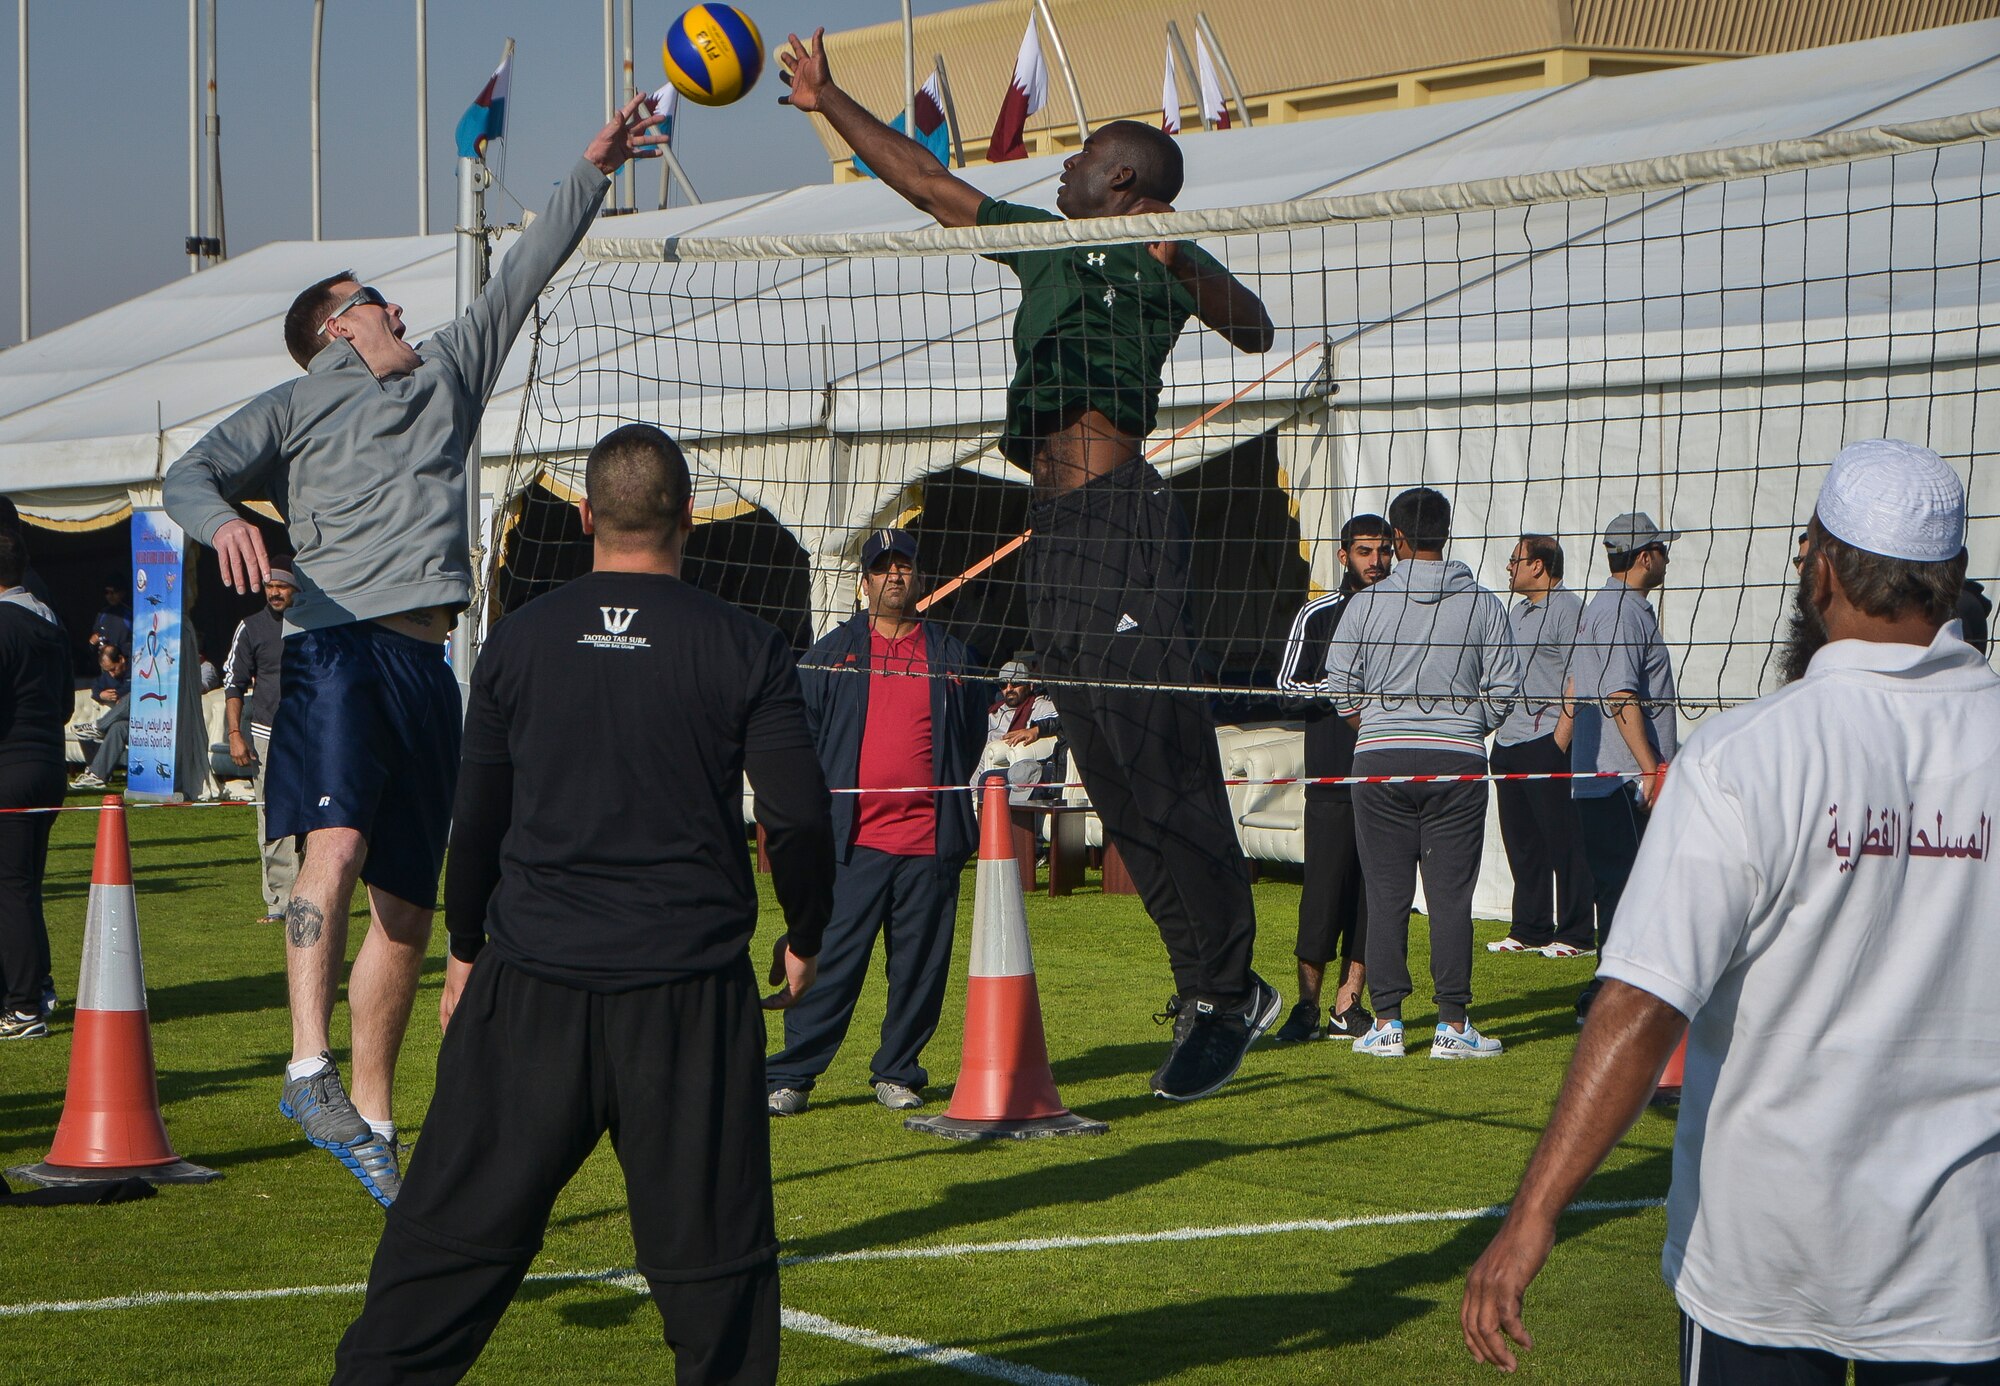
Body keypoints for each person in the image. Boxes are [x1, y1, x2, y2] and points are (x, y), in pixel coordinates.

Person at [161, 102, 669, 1205]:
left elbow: (525, 270)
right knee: (332, 849)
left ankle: (375, 1123)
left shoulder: (447, 374)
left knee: (406, 902)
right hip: (336, 649)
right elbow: (186, 476)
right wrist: (230, 525)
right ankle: (307, 1069)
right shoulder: (293, 407)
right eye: (371, 301)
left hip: (427, 666)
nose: (396, 306)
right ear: (339, 329)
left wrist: (588, 166)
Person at [778, 30, 1282, 1101]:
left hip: (1121, 519)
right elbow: (925, 180)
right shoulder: (1041, 242)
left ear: (1123, 179)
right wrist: (827, 100)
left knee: (1162, 756)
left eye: (1078, 159)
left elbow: (1254, 327)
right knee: (1101, 767)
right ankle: (1206, 986)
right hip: (1053, 534)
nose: (1057, 171)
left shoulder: (1162, 248)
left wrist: (1182, 261)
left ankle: (1227, 988)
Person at [1463, 439, 2000, 1384]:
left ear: (1818, 566)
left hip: (1765, 1260)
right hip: (1963, 1271)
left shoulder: (1743, 757)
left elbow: (1639, 1008)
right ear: (1954, 579)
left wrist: (1531, 1215)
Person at [331, 423, 833, 1385]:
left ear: (587, 516)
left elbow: (474, 820)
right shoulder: (744, 644)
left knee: (443, 1255)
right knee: (714, 1276)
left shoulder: (519, 640)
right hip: (682, 997)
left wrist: (466, 948)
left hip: (535, 986)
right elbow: (798, 817)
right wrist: (804, 934)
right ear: (690, 517)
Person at [767, 528, 988, 1117]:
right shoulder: (831, 653)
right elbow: (803, 734)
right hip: (852, 843)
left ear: (918, 576)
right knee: (830, 963)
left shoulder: (953, 655)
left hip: (928, 844)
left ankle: (897, 1071)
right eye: (883, 567)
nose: (895, 575)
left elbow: (968, 738)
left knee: (920, 969)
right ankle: (791, 1075)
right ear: (865, 580)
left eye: (904, 566)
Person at [1325, 487, 1522, 1060]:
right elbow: (1506, 687)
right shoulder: (1483, 602)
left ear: (1398, 540)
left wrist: (1375, 726)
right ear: (1447, 533)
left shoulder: (1366, 603)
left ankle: (1386, 1024)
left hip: (1380, 762)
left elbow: (1337, 685)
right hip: (1454, 764)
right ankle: (1452, 1025)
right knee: (1449, 898)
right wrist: (1465, 727)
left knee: (1386, 896)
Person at [1271, 513, 1392, 1043]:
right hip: (1330, 780)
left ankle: (1350, 1005)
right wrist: (1341, 691)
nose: (1377, 561)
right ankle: (1306, 1007)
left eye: (1384, 550)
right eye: (1366, 551)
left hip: (1386, 779)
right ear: (1344, 556)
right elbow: (1284, 686)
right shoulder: (1317, 615)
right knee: (1321, 896)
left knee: (1375, 897)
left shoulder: (1404, 613)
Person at [1565, 512, 1678, 1024]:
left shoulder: (1611, 607)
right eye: (1661, 549)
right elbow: (1619, 694)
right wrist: (1652, 769)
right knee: (1631, 892)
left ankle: (1609, 993)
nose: (1667, 558)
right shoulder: (1621, 612)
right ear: (1643, 556)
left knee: (1622, 891)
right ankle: (1610, 998)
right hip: (1622, 779)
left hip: (1608, 777)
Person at [1487, 534, 1594, 957]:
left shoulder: (1569, 610)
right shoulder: (1516, 612)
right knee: (1522, 841)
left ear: (1539, 565)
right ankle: (1530, 927)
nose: (1509, 568)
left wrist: (1559, 740)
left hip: (1546, 740)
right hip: (1510, 740)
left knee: (1565, 842)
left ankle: (1577, 934)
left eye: (1515, 560)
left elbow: (1580, 674)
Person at [0, 532, 69, 1040]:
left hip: (10, 768)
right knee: (23, 885)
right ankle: (34, 987)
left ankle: (23, 1006)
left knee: (11, 889)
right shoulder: (48, 618)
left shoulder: (4, 623)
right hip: (47, 765)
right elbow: (66, 703)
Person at [222, 569, 300, 925]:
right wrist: (235, 733)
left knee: (318, 820)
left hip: (311, 736)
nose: (274, 592)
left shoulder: (313, 623)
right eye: (270, 586)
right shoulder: (251, 627)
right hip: (266, 736)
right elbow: (233, 684)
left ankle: (313, 895)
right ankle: (279, 901)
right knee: (271, 818)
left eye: (281, 586)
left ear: (296, 588)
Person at [70, 643, 131, 791]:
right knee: (117, 728)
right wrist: (101, 695)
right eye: (107, 671)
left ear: (121, 659)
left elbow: (135, 688)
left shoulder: (136, 671)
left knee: (132, 696)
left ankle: (98, 726)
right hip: (130, 723)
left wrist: (121, 695)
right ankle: (97, 775)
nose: (111, 674)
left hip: (150, 718)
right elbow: (95, 687)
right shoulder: (107, 677)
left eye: (113, 669)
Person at [987, 661, 1059, 746]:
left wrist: (1036, 730)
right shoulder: (993, 711)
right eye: (1003, 684)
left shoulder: (1040, 706)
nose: (1009, 689)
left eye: (1015, 683)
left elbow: (1065, 719)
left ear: (1029, 685)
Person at [89, 581, 131, 656]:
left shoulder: (130, 614)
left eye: (113, 592)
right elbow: (94, 638)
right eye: (106, 592)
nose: (109, 596)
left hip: (123, 663)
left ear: (122, 593)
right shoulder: (102, 614)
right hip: (104, 662)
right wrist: (92, 643)